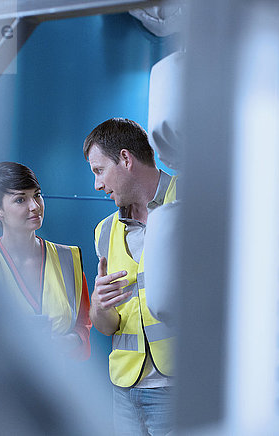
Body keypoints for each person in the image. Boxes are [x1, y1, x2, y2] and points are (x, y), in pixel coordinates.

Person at [83, 118, 177, 435]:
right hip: (125, 390)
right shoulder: (105, 230)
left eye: (99, 170)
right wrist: (98, 305)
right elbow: (107, 326)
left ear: (125, 159)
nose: (96, 185)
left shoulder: (193, 203)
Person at [0, 162, 91, 360]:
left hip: (59, 384)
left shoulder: (68, 258)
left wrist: (64, 343)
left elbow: (83, 324)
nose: (34, 206)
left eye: (37, 195)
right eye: (20, 199)